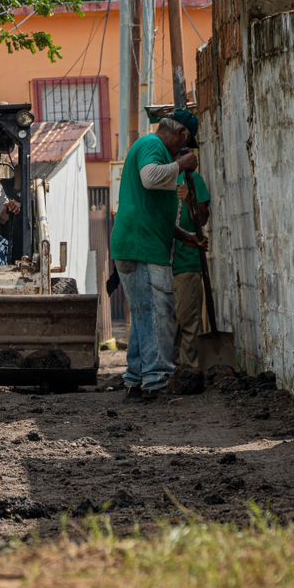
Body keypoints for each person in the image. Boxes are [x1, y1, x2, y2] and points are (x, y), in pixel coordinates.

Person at [109, 109, 207, 401]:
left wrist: (185, 236)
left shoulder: (155, 152)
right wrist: (181, 164)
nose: (185, 150)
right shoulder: (153, 146)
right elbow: (150, 178)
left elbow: (154, 210)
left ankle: (136, 378)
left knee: (143, 315)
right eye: (185, 145)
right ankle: (157, 378)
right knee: (159, 313)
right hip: (143, 247)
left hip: (136, 243)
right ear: (181, 135)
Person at [173, 162, 211, 373]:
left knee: (188, 321)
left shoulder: (193, 180)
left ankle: (189, 370)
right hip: (164, 262)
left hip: (187, 262)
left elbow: (203, 218)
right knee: (168, 323)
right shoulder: (160, 178)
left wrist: (190, 200)